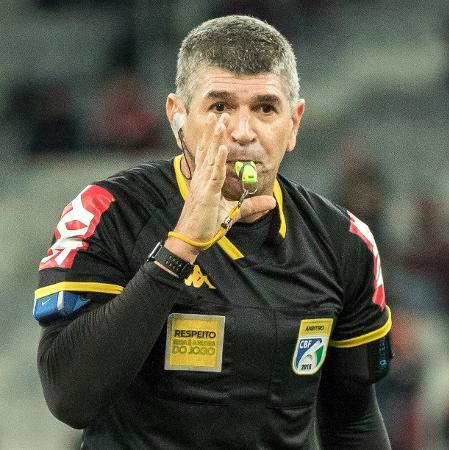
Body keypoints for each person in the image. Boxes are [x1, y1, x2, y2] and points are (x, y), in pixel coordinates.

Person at [33, 15, 393, 449]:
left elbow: (353, 420)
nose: (242, 133)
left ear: (294, 123)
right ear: (178, 116)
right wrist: (180, 247)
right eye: (220, 106)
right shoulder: (106, 212)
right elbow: (69, 398)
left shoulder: (345, 241)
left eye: (265, 108)